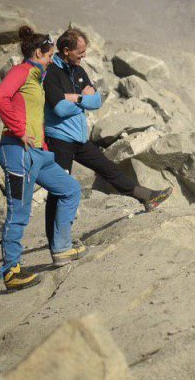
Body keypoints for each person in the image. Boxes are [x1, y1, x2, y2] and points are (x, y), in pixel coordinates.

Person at [42, 27, 171, 249]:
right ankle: (56, 241)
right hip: (59, 139)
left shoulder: (78, 70)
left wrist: (75, 98)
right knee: (60, 190)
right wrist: (81, 100)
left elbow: (96, 102)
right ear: (65, 50)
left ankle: (146, 196)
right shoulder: (51, 72)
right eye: (80, 52)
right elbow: (60, 109)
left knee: (108, 168)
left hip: (78, 138)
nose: (84, 56)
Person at [0, 26, 87, 291]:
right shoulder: (20, 72)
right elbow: (0, 98)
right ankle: (11, 271)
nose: (51, 60)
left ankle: (61, 249)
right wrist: (19, 129)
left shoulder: (36, 76)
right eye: (48, 55)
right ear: (38, 53)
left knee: (69, 189)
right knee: (19, 211)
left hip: (38, 154)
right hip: (17, 152)